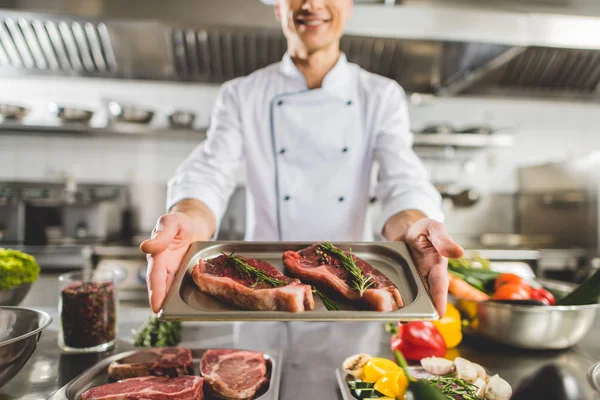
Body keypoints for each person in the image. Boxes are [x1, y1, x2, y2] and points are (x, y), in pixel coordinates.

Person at [141, 0, 464, 319]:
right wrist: (187, 217)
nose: (311, 4)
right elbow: (210, 171)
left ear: (349, 6)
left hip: (352, 307)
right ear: (279, 8)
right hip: (260, 299)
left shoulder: (380, 95)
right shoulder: (242, 94)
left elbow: (401, 181)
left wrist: (414, 226)